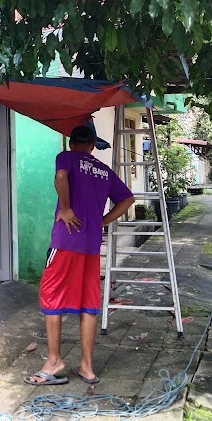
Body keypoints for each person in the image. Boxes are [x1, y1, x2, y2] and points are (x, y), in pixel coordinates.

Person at [25, 123, 135, 386]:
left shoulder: (66, 157)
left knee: (51, 297)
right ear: (92, 144)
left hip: (65, 242)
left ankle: (54, 362)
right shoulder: (103, 170)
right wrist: (103, 220)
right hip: (91, 245)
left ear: (72, 142)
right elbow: (128, 198)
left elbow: (61, 177)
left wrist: (65, 209)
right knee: (89, 302)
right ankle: (87, 367)